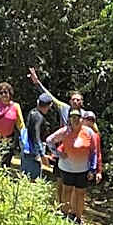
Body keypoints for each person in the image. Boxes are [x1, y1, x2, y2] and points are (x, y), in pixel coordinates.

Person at [28, 68, 90, 197]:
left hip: (78, 152)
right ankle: (59, 203)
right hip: (62, 150)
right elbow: (49, 96)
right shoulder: (64, 108)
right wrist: (37, 82)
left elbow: (92, 134)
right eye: (73, 99)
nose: (75, 101)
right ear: (70, 101)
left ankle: (71, 205)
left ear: (82, 102)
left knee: (75, 185)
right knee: (60, 179)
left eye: (78, 100)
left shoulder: (85, 115)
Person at [45, 109, 98, 223]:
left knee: (80, 194)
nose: (75, 120)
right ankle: (64, 216)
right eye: (73, 117)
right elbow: (49, 140)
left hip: (83, 169)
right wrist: (58, 153)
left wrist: (92, 169)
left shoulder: (89, 132)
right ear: (69, 119)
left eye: (78, 117)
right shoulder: (65, 131)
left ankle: (78, 218)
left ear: (82, 119)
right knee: (67, 191)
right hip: (66, 168)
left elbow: (94, 151)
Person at [21, 93, 54, 180]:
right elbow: (36, 136)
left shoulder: (32, 112)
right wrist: (41, 154)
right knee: (33, 178)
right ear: (48, 106)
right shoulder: (38, 117)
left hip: (27, 148)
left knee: (25, 176)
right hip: (33, 151)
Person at [82, 110, 104, 185]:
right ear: (83, 120)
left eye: (92, 120)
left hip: (89, 168)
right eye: (88, 119)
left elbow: (98, 153)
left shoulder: (95, 135)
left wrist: (99, 171)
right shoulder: (76, 132)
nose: (90, 122)